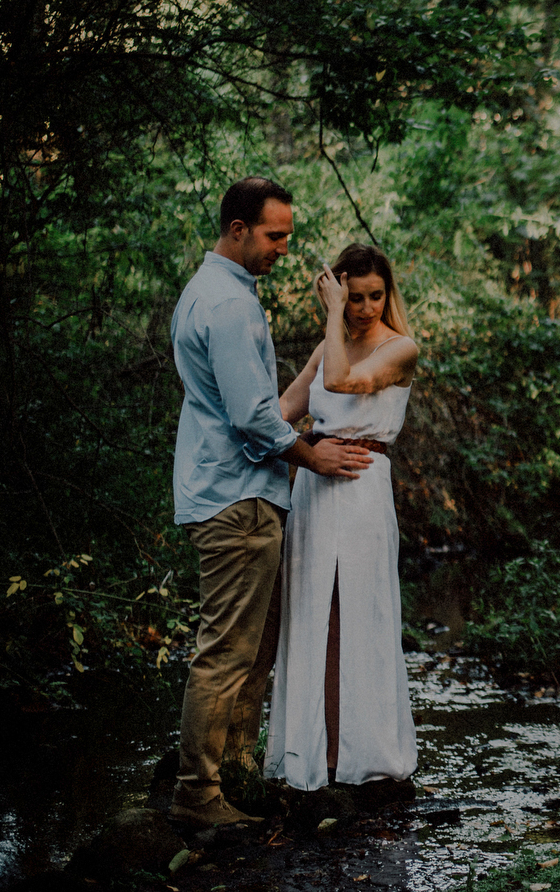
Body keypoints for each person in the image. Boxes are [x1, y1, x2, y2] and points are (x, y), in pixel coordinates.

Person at [170, 178, 373, 829]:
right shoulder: (227, 306)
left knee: (253, 650)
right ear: (237, 229)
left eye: (287, 234)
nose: (285, 247)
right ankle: (197, 794)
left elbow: (258, 405)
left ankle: (236, 773)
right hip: (236, 498)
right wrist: (312, 455)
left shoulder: (220, 294)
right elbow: (254, 418)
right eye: (274, 234)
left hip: (238, 491)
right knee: (227, 651)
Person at [267, 242, 421, 791]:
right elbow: (278, 415)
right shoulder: (325, 346)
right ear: (338, 293)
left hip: (362, 491)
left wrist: (332, 315)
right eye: (353, 298)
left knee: (359, 614)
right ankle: (316, 754)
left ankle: (362, 753)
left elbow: (342, 383)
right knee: (314, 615)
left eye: (375, 296)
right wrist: (306, 446)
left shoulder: (400, 348)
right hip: (314, 489)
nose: (364, 307)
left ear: (388, 294)